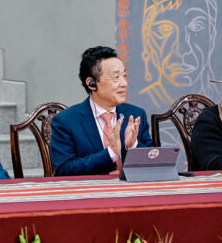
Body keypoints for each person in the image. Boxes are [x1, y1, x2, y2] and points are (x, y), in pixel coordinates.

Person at [51, 46, 154, 176]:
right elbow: (64, 169)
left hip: (132, 191)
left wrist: (133, 145)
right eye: (116, 78)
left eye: (124, 76)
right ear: (92, 83)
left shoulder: (136, 115)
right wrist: (111, 153)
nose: (124, 83)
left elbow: (154, 160)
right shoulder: (66, 121)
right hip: (90, 192)